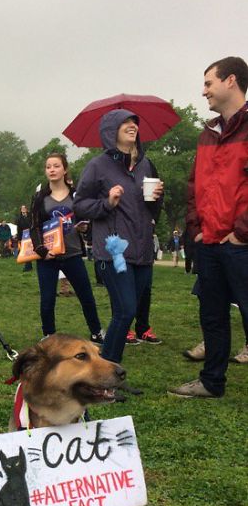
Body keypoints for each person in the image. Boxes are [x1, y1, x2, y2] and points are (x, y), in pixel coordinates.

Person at [170, 56, 248, 398]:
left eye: (208, 83)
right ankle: (212, 381)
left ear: (230, 81)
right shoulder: (207, 133)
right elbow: (194, 185)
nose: (204, 91)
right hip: (210, 243)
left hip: (241, 244)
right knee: (212, 316)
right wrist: (196, 228)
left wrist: (242, 233)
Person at [74, 110, 164, 365]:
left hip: (142, 249)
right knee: (125, 310)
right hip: (114, 251)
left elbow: (151, 210)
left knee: (128, 311)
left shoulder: (146, 164)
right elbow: (79, 205)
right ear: (111, 130)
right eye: (125, 122)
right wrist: (107, 202)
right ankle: (106, 367)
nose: (132, 125)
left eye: (135, 122)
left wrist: (158, 197)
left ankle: (106, 366)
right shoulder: (97, 165)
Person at [30, 152, 104, 343]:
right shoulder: (40, 197)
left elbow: (86, 218)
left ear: (65, 169)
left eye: (56, 166)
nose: (52, 170)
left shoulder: (76, 195)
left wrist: (84, 227)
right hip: (48, 256)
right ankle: (49, 335)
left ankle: (96, 332)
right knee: (47, 299)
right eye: (48, 167)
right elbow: (34, 226)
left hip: (72, 253)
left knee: (86, 296)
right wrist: (42, 251)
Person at [15, 205, 33, 272]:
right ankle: (28, 266)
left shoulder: (31, 216)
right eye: (22, 208)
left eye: (24, 208)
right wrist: (19, 238)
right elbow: (19, 229)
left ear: (26, 209)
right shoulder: (19, 219)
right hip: (24, 236)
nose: (23, 209)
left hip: (32, 234)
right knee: (26, 251)